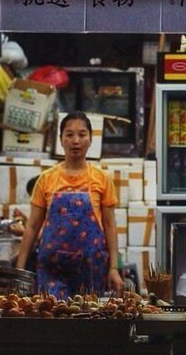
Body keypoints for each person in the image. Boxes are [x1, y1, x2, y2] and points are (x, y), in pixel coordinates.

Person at [15, 112, 123, 297]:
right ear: (61, 139)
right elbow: (32, 227)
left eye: (82, 135)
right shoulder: (46, 179)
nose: (75, 141)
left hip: (90, 269)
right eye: (69, 134)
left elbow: (110, 225)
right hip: (51, 269)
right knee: (51, 318)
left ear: (90, 140)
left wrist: (113, 268)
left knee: (86, 319)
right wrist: (19, 271)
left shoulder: (102, 179)